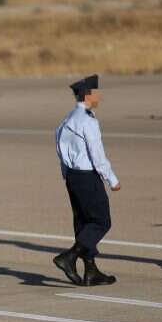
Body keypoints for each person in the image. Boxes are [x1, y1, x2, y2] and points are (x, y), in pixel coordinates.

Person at [53, 75, 120, 286]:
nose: (99, 96)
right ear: (88, 95)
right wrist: (111, 179)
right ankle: (69, 257)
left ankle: (91, 271)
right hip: (87, 176)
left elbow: (59, 146)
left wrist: (66, 174)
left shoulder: (68, 119)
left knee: (83, 223)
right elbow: (97, 155)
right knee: (101, 221)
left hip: (73, 176)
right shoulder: (88, 121)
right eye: (96, 92)